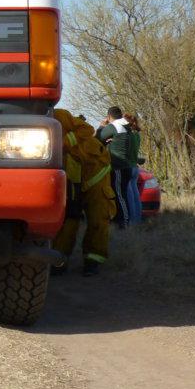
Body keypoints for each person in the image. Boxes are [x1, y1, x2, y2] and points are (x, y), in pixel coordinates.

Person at [53, 110, 116, 276]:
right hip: (72, 175)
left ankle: (93, 261)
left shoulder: (59, 116)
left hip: (96, 172)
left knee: (98, 216)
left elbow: (87, 129)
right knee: (70, 217)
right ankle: (59, 260)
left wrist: (63, 143)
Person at [97, 106, 135, 227]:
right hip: (127, 165)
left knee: (119, 195)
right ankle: (121, 221)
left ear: (109, 116)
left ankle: (124, 222)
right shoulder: (126, 126)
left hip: (118, 166)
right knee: (122, 194)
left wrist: (101, 127)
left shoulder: (114, 126)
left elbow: (97, 138)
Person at [123, 114, 143, 224]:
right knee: (136, 195)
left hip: (128, 167)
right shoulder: (137, 135)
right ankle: (137, 219)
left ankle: (131, 220)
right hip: (135, 167)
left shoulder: (128, 135)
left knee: (129, 195)